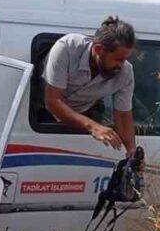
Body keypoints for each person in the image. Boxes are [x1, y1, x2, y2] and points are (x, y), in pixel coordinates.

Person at [43, 16, 136, 155]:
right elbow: (53, 102)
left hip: (82, 117)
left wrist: (131, 151)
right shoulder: (67, 48)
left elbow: (123, 116)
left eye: (125, 60)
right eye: (118, 59)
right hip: (40, 113)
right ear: (98, 50)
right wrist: (94, 127)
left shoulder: (125, 72)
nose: (121, 65)